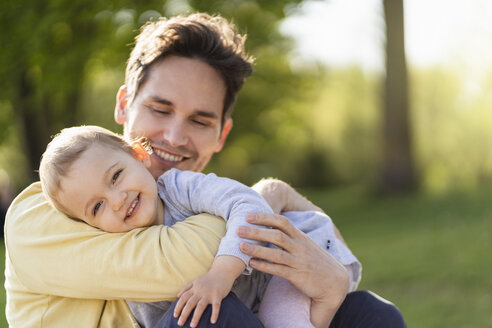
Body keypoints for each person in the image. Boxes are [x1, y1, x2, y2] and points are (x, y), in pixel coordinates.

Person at [4, 12, 406, 328]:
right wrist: (267, 199)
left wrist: (331, 289)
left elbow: (325, 251)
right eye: (160, 109)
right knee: (208, 314)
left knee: (370, 314)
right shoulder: (41, 212)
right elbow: (190, 263)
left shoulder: (180, 196)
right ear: (125, 103)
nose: (175, 136)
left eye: (199, 121)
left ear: (221, 134)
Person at [38, 125, 361, 328]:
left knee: (282, 320)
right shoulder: (121, 251)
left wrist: (221, 273)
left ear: (138, 154)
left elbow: (247, 203)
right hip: (254, 297)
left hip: (291, 258)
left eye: (115, 176)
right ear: (87, 225)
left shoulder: (179, 187)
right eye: (97, 207)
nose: (117, 200)